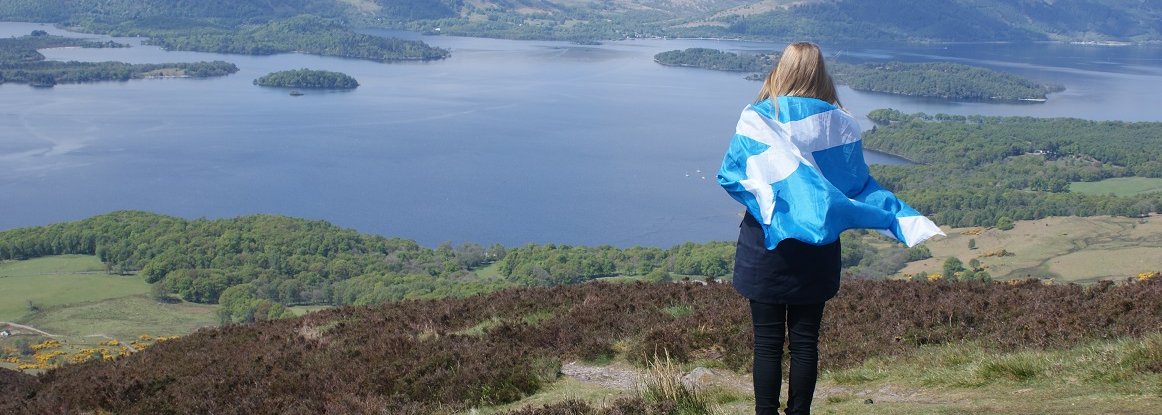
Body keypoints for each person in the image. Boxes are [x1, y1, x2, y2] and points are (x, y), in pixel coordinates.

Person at [716, 42, 942, 415]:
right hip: (818, 247)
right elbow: (856, 185)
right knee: (806, 341)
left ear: (781, 70)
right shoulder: (841, 123)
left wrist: (767, 201)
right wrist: (894, 215)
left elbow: (732, 176)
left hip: (768, 241)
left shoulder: (759, 118)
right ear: (821, 74)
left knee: (767, 342)